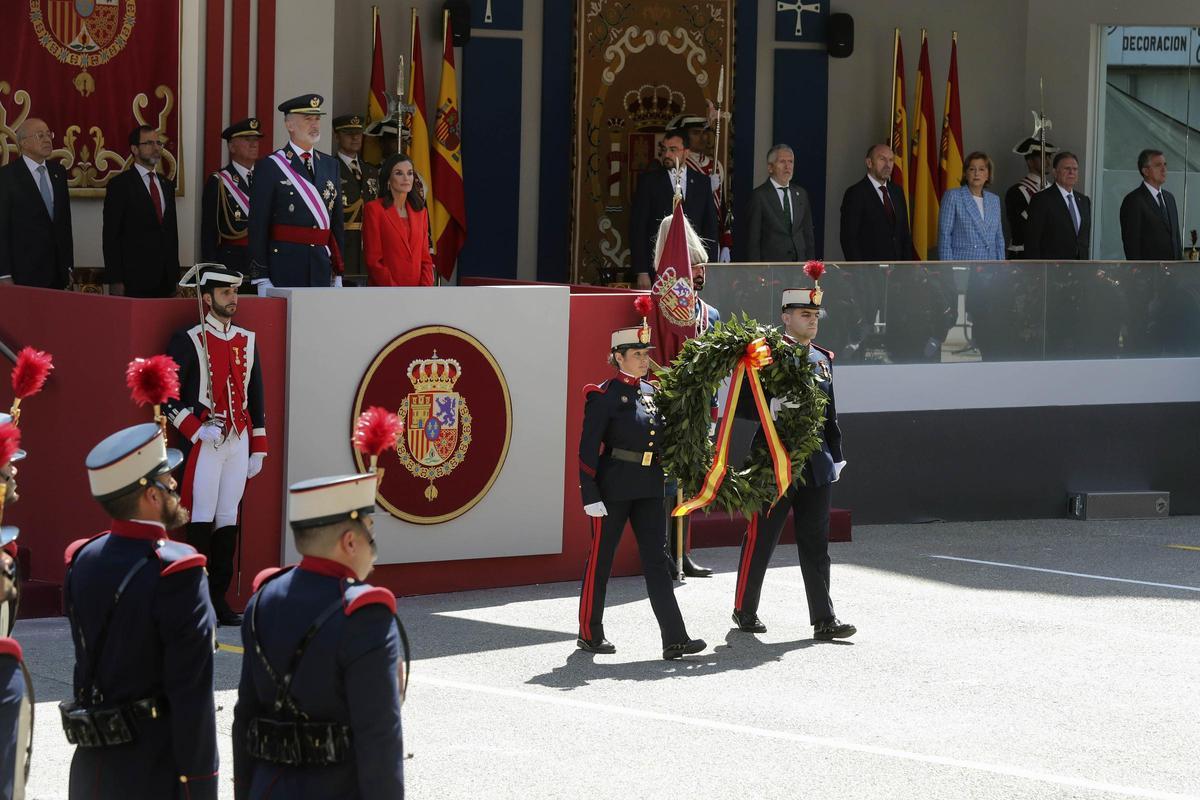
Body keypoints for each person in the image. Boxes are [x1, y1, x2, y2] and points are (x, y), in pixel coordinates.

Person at [64, 423, 218, 799]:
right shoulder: (177, 572)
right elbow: (193, 699)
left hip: (90, 771)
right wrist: (201, 788)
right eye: (168, 481)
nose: (175, 486)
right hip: (154, 772)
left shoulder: (82, 559)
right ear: (151, 494)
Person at [232, 472, 407, 799]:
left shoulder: (262, 599)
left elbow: (245, 717)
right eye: (370, 530)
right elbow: (379, 737)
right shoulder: (364, 613)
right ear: (350, 542)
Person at [577, 319, 707, 660]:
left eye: (646, 353)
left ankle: (675, 638)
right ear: (618, 357)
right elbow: (588, 449)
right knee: (601, 560)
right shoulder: (603, 395)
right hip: (614, 487)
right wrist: (589, 493)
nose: (644, 359)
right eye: (636, 354)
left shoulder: (653, 393)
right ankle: (590, 633)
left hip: (649, 485)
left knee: (657, 561)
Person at [731, 283, 855, 641]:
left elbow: (830, 414)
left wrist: (836, 456)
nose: (812, 320)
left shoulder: (822, 359)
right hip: (774, 460)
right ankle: (745, 609)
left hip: (815, 463)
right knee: (762, 538)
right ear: (786, 317)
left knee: (816, 543)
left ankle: (824, 619)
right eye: (805, 314)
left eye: (815, 315)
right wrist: (769, 405)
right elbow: (741, 403)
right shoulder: (765, 355)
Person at [165, 265, 268, 626]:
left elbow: (256, 395)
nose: (233, 298)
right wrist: (195, 429)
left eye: (235, 292)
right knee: (202, 515)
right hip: (206, 441)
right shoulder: (189, 339)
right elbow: (168, 396)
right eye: (226, 293)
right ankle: (196, 599)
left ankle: (218, 598)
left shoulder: (246, 339)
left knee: (228, 516)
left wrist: (259, 445)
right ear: (207, 298)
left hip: (239, 440)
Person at [249, 94, 345, 291]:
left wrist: (338, 270)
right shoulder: (270, 166)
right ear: (289, 125)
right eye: (308, 119)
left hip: (321, 265)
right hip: (284, 266)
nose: (315, 125)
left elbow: (336, 223)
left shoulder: (330, 165)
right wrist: (261, 276)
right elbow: (258, 225)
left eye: (317, 118)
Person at [839, 144, 913, 356]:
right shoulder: (855, 193)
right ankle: (857, 361)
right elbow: (849, 238)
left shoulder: (897, 192)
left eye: (891, 160)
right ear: (869, 162)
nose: (887, 164)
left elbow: (904, 235)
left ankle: (895, 362)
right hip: (867, 275)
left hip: (895, 275)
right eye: (882, 159)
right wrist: (859, 271)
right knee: (864, 325)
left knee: (898, 325)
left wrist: (906, 269)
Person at [629, 129, 718, 288]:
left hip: (693, 266)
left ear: (686, 152)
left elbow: (710, 228)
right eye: (664, 149)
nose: (667, 154)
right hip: (659, 266)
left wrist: (709, 268)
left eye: (673, 150)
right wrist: (641, 271)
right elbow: (638, 228)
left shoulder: (702, 183)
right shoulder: (649, 182)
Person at [939, 151, 1006, 359]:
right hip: (962, 268)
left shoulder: (994, 200)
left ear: (988, 174)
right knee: (960, 314)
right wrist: (947, 268)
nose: (977, 173)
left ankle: (985, 351)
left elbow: (999, 237)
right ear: (965, 173)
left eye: (981, 169)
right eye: (972, 169)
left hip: (989, 269)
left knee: (986, 315)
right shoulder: (954, 196)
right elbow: (945, 234)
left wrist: (1001, 266)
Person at [102, 125, 180, 297]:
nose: (156, 148)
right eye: (149, 143)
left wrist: (175, 275)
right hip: (134, 279)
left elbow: (171, 233)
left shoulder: (166, 185)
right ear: (135, 149)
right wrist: (115, 279)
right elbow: (111, 236)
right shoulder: (120, 185)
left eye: (158, 143)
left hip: (165, 279)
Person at [1120, 149, 1182, 354]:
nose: (1164, 169)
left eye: (1165, 164)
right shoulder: (1134, 200)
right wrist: (1141, 275)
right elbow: (1132, 244)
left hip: (1170, 281)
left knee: (1168, 330)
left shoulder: (1169, 198)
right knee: (1143, 332)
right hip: (1146, 282)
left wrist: (1179, 270)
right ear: (1145, 170)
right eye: (1158, 165)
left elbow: (1175, 239)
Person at [0, 117, 73, 289]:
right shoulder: (7, 176)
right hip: (22, 274)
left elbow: (64, 224)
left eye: (49, 134)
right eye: (40, 135)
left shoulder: (58, 172)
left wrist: (68, 266)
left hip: (57, 274)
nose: (47, 139)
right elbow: (2, 229)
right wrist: (4, 274)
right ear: (23, 143)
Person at [200, 117, 263, 284]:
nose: (254, 144)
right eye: (247, 139)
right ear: (231, 146)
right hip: (232, 264)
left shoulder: (266, 178)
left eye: (256, 139)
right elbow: (209, 232)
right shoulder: (219, 181)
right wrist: (212, 270)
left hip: (263, 264)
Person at [362, 153, 435, 286]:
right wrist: (396, 292)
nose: (406, 178)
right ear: (388, 179)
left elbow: (426, 259)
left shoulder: (421, 212)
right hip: (386, 292)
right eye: (399, 173)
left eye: (410, 173)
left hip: (418, 293)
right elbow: (374, 260)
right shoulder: (374, 209)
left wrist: (424, 290)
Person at [673, 112, 732, 262]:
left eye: (704, 133)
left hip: (711, 237)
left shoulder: (716, 166)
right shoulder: (680, 164)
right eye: (696, 133)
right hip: (686, 234)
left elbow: (722, 206)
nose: (702, 137)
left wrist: (725, 242)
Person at [746, 144, 815, 262]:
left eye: (791, 161)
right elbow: (753, 240)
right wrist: (756, 270)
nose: (787, 166)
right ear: (770, 167)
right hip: (772, 268)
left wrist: (811, 266)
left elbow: (808, 235)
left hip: (799, 266)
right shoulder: (759, 196)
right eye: (782, 161)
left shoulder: (801, 194)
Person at [334, 114, 380, 283]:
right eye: (348, 133)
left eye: (358, 133)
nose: (355, 138)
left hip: (369, 248)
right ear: (337, 136)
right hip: (342, 246)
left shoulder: (371, 171)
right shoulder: (330, 168)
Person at [1025, 151, 1090, 261]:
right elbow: (1032, 241)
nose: (1071, 172)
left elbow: (1083, 240)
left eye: (1075, 169)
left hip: (1079, 266)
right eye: (1067, 168)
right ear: (1055, 172)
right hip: (1052, 267)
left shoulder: (1084, 201)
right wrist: (1036, 269)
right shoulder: (1041, 199)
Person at [1004, 136, 1056, 259]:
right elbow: (1019, 227)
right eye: (1043, 157)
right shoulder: (1016, 191)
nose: (1048, 162)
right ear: (1030, 161)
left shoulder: (1053, 189)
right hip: (1025, 255)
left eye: (1049, 157)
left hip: (1050, 254)